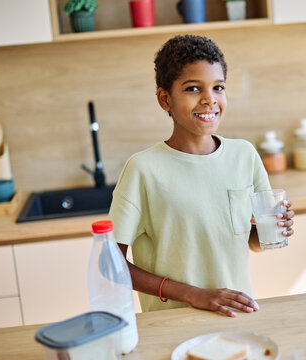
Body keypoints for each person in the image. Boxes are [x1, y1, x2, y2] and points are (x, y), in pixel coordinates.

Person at [108, 34, 294, 317]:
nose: (210, 99)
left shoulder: (244, 155)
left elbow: (253, 242)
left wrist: (275, 227)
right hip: (172, 325)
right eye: (193, 88)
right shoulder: (143, 170)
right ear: (164, 99)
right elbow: (109, 264)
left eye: (218, 87)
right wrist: (195, 295)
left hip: (237, 315)